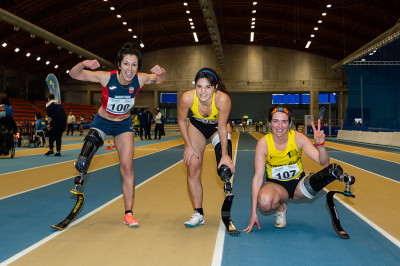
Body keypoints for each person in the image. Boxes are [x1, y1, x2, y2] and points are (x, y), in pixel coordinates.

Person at [69, 42, 167, 227]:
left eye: (134, 64)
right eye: (126, 64)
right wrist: (84, 63)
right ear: (119, 65)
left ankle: (128, 213)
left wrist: (162, 71)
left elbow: (161, 80)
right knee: (83, 160)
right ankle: (80, 175)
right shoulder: (106, 78)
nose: (130, 69)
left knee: (127, 167)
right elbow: (73, 74)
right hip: (102, 122)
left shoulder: (141, 79)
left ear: (138, 67)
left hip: (123, 125)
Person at [243, 105, 349, 233]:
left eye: (284, 122)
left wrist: (320, 147)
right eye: (276, 121)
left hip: (298, 184)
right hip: (275, 185)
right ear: (270, 123)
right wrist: (253, 212)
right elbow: (258, 177)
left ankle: (319, 180)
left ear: (290, 123)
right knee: (265, 203)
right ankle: (281, 208)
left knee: (328, 172)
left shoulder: (298, 138)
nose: (280, 126)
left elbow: (324, 163)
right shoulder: (263, 144)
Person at [177, 67, 235, 227]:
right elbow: (182, 121)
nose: (203, 92)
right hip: (197, 127)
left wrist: (225, 155)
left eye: (208, 87)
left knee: (224, 168)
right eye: (199, 86)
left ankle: (225, 174)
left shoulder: (222, 99)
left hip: (218, 128)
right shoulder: (187, 98)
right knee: (192, 166)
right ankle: (198, 213)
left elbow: (222, 127)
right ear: (195, 85)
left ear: (215, 87)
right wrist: (188, 145)